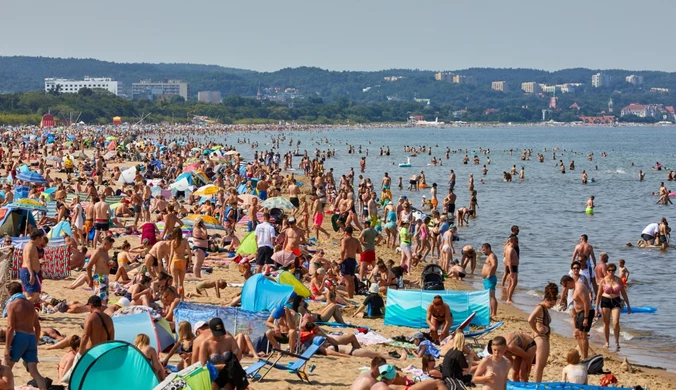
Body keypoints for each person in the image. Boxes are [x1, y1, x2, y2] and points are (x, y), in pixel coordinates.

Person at [3, 282, 47, 390]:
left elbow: (10, 327)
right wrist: (35, 342)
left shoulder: (12, 304)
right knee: (34, 372)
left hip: (19, 337)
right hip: (31, 337)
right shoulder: (30, 305)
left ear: (10, 292)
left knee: (5, 368)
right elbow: (37, 327)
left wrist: (7, 348)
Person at [198, 318, 247, 390]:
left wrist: (237, 353)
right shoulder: (205, 344)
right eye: (216, 334)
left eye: (221, 333)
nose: (219, 337)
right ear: (210, 330)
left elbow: (238, 356)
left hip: (229, 373)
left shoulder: (229, 339)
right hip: (213, 374)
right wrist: (220, 366)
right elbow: (202, 365)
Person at [595, 262, 631, 351]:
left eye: (613, 270)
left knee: (616, 322)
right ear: (607, 271)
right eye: (609, 270)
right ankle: (607, 342)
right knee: (606, 323)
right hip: (605, 301)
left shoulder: (618, 280)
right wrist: (596, 308)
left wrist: (628, 305)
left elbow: (623, 293)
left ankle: (617, 342)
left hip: (616, 301)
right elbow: (599, 295)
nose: (611, 272)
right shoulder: (603, 281)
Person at [528, 283, 558, 382]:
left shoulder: (543, 308)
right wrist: (536, 330)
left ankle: (537, 384)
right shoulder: (540, 307)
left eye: (553, 305)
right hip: (541, 338)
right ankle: (537, 385)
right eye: (550, 304)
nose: (551, 306)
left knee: (540, 365)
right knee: (539, 365)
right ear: (545, 300)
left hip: (542, 337)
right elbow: (530, 319)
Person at [561, 274, 593, 358]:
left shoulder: (579, 288)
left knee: (584, 336)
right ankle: (582, 354)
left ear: (568, 282)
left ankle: (585, 357)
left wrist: (586, 318)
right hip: (579, 313)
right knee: (578, 334)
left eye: (565, 286)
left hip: (586, 312)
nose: (566, 288)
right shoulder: (575, 286)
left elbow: (586, 303)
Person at [86, 236, 115, 305]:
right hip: (99, 278)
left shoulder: (106, 252)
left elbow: (104, 265)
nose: (111, 247)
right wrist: (90, 280)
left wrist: (111, 265)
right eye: (110, 245)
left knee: (105, 301)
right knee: (101, 301)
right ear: (105, 244)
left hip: (105, 278)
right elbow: (88, 267)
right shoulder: (98, 251)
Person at [19, 230, 44, 303]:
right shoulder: (30, 246)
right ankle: (20, 306)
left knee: (28, 294)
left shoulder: (31, 246)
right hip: (28, 271)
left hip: (28, 271)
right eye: (41, 238)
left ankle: (26, 311)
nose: (41, 240)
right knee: (34, 295)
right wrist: (31, 274)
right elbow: (28, 260)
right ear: (37, 238)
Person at [340, 226, 362, 298]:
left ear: (346, 232)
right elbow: (360, 251)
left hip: (347, 260)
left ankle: (349, 296)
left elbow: (343, 250)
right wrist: (353, 250)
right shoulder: (356, 240)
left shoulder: (345, 240)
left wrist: (342, 259)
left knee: (347, 280)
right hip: (353, 260)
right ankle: (351, 296)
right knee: (352, 280)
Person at [168, 226, 189, 298]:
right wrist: (189, 262)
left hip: (175, 261)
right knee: (181, 283)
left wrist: (168, 266)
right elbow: (189, 252)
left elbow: (171, 254)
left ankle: (175, 297)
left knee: (175, 283)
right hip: (182, 261)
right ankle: (182, 298)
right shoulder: (185, 241)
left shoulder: (173, 242)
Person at [481, 243, 498, 320]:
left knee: (491, 296)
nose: (483, 251)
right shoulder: (489, 256)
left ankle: (493, 314)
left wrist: (489, 274)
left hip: (490, 279)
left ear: (488, 248)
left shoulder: (492, 256)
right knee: (490, 296)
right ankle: (492, 313)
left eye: (484, 250)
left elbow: (494, 265)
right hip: (487, 279)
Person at [504, 236, 519, 303]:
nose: (517, 243)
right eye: (516, 241)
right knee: (514, 283)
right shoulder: (510, 249)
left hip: (511, 267)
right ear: (513, 241)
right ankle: (509, 298)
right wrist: (511, 271)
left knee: (510, 284)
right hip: (512, 267)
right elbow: (509, 260)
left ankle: (508, 297)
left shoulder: (508, 247)